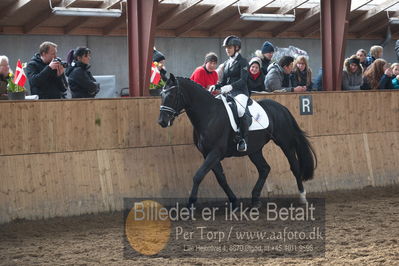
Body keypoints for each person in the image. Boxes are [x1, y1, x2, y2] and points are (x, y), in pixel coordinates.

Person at [218, 35, 249, 152]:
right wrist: (215, 86)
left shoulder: (243, 61)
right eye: (226, 47)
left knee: (240, 110)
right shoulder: (226, 63)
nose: (227, 49)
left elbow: (243, 80)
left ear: (236, 47)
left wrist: (231, 86)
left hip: (241, 92)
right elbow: (223, 82)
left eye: (229, 47)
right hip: (228, 93)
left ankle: (243, 139)